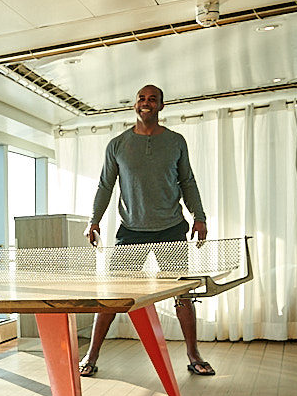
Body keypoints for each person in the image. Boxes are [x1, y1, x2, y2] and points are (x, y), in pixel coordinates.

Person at [78, 84, 215, 379]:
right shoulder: (117, 144)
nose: (146, 103)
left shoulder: (176, 142)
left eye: (153, 99)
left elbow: (187, 182)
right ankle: (91, 354)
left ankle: (193, 354)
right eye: (141, 98)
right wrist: (94, 220)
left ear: (161, 106)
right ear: (135, 105)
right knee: (112, 296)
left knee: (183, 295)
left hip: (171, 228)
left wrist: (199, 217)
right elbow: (105, 185)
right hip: (131, 232)